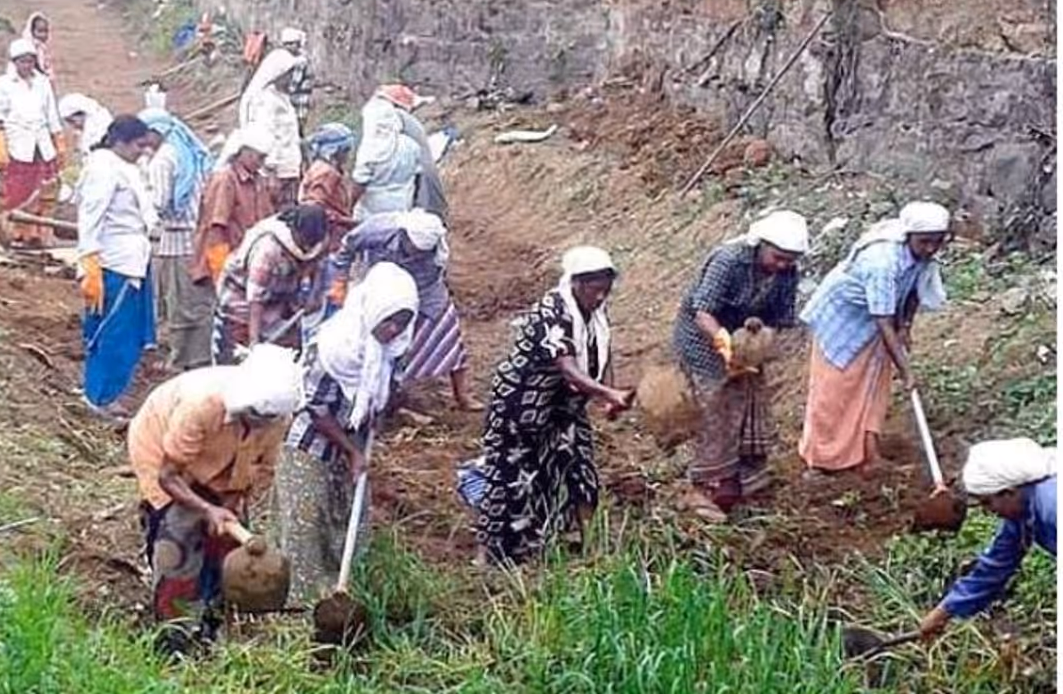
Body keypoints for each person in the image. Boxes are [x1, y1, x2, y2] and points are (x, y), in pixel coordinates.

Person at [456, 247, 635, 566]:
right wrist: (607, 393)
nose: (600, 297)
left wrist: (610, 391)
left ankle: (591, 547)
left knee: (581, 469)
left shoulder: (596, 312)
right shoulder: (552, 311)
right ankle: (489, 554)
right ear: (577, 284)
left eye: (606, 290)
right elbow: (567, 366)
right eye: (596, 290)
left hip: (563, 407)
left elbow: (602, 354)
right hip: (520, 406)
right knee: (511, 477)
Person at [128, 343, 306, 654]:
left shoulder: (277, 415)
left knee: (224, 545)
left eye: (266, 421)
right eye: (253, 419)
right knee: (178, 541)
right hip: (164, 452)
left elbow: (257, 467)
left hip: (220, 461)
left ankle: (210, 620)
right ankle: (173, 636)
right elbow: (168, 476)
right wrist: (207, 509)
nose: (259, 425)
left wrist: (227, 508)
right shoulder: (202, 404)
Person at [272, 262, 419, 603]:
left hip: (354, 439)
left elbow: (388, 390)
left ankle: (343, 591)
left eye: (404, 321)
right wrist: (352, 451)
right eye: (390, 320)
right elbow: (316, 409)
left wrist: (376, 419)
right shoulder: (333, 346)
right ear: (372, 311)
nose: (395, 329)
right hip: (311, 443)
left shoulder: (394, 348)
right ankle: (301, 604)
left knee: (347, 518)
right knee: (306, 524)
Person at [671, 209, 808, 523]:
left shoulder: (788, 272)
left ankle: (744, 473)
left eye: (790, 259)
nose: (783, 265)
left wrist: (757, 327)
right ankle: (705, 483)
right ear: (760, 245)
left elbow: (780, 318)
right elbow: (702, 311)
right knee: (715, 403)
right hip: (703, 338)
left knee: (748, 399)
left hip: (744, 341)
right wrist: (723, 343)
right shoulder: (729, 260)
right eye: (778, 257)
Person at [799, 201, 952, 475]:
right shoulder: (882, 262)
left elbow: (915, 289)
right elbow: (883, 319)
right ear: (908, 237)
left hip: (878, 320)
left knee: (872, 387)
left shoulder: (922, 255)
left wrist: (905, 325)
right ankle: (819, 461)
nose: (930, 248)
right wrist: (906, 371)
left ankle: (868, 454)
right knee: (833, 392)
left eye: (937, 242)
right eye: (925, 242)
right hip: (843, 322)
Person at [329, 208, 482, 411]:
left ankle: (461, 396)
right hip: (382, 289)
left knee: (448, 336)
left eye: (422, 252)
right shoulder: (378, 229)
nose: (417, 253)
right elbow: (348, 246)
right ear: (403, 234)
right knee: (376, 341)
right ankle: (376, 393)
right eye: (413, 248)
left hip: (424, 291)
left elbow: (430, 278)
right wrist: (340, 281)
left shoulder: (436, 250)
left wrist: (410, 307)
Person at [918, 438, 1056, 639]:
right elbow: (994, 567)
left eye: (987, 503)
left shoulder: (1052, 506)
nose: (988, 512)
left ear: (1008, 492)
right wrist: (943, 612)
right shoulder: (1021, 512)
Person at [76, 116, 158, 418]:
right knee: (113, 332)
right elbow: (91, 218)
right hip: (114, 262)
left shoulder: (126, 168)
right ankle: (100, 396)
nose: (142, 151)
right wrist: (89, 262)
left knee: (128, 333)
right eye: (139, 145)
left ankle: (108, 390)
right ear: (120, 142)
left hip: (133, 259)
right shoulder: (103, 169)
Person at [137, 108, 217, 372]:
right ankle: (201, 355)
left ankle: (182, 359)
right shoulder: (188, 152)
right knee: (201, 299)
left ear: (155, 132)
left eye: (144, 135)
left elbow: (158, 202)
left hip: (177, 240)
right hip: (197, 236)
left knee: (180, 301)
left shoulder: (163, 159)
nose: (142, 142)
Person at [212, 204, 328, 362]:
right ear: (295, 231)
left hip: (278, 302)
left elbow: (317, 265)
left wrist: (313, 296)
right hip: (241, 305)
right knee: (239, 361)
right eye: (305, 242)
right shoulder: (268, 249)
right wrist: (254, 343)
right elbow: (255, 299)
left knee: (285, 357)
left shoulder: (318, 240)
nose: (308, 247)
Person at [0, 38, 66, 248]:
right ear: (14, 62)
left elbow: (51, 114)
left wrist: (58, 140)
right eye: (23, 61)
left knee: (47, 188)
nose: (27, 66)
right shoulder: (2, 85)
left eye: (31, 61)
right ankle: (17, 232)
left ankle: (41, 233)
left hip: (42, 141)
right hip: (18, 142)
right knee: (19, 189)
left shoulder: (42, 83)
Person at [192, 125, 276, 286]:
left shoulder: (258, 181)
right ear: (245, 152)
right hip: (228, 263)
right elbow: (216, 230)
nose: (262, 163)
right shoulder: (225, 180)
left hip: (248, 261)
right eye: (260, 158)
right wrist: (220, 272)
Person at [238, 48, 303, 205]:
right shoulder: (266, 101)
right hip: (277, 173)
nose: (290, 78)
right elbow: (266, 136)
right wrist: (272, 172)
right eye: (288, 74)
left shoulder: (282, 97)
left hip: (288, 169)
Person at [350, 84, 423, 221]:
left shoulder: (370, 149)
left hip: (370, 216)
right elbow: (418, 178)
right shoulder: (412, 146)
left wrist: (348, 208)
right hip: (402, 210)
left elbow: (359, 184)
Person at [300, 122, 358, 249]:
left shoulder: (325, 169)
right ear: (334, 151)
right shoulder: (326, 173)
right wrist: (345, 221)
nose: (348, 155)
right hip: (329, 236)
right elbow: (313, 207)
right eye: (345, 151)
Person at [279, 27, 315, 137]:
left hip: (299, 101)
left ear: (298, 44)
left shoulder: (300, 61)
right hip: (294, 101)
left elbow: (292, 86)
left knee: (295, 132)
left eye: (291, 44)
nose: (288, 47)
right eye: (286, 44)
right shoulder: (292, 59)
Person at [8, 11, 54, 82]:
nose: (43, 35)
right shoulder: (26, 47)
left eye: (46, 31)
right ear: (32, 31)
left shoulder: (42, 47)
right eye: (40, 31)